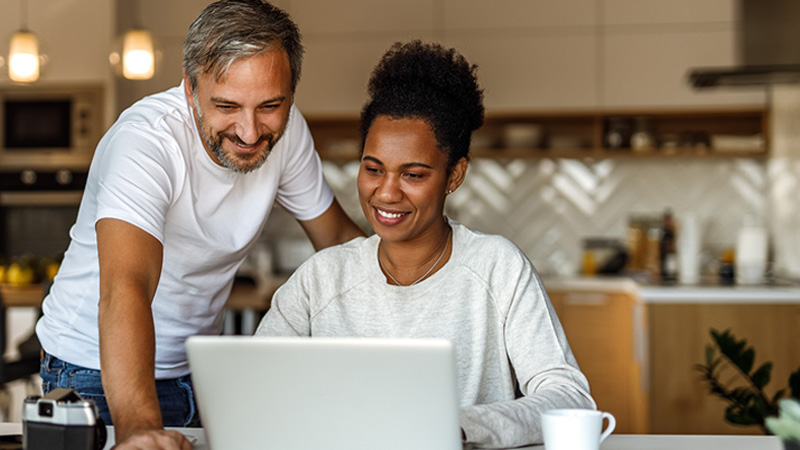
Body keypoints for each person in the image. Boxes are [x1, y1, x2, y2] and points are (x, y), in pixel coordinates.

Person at [35, 1, 364, 448]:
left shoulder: (288, 135)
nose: (250, 132)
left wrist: (417, 307)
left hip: (201, 368)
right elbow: (126, 285)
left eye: (271, 105)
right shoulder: (146, 143)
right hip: (95, 368)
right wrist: (139, 426)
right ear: (190, 89)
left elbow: (340, 242)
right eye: (227, 106)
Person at [255, 40, 595, 448]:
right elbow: (256, 387)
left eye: (413, 175)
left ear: (454, 175)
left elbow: (569, 398)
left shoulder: (496, 268)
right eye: (373, 169)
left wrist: (459, 426)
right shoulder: (322, 278)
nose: (386, 192)